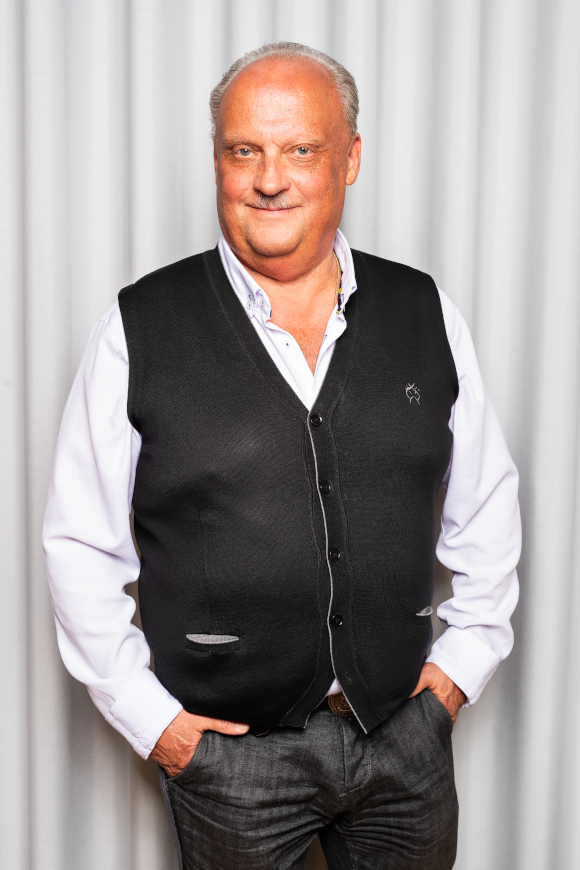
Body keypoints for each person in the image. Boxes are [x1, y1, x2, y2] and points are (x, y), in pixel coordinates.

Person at [43, 42, 521, 870]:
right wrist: (162, 730)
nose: (270, 179)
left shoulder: (423, 308)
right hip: (231, 766)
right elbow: (79, 547)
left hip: (404, 742)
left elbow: (487, 506)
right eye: (244, 151)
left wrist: (453, 680)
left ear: (350, 159)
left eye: (300, 149)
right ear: (218, 162)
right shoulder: (139, 327)